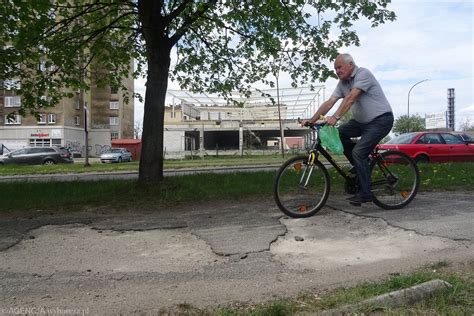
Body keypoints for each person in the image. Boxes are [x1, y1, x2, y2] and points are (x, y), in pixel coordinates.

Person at [302, 53, 393, 204]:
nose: (337, 71)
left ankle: (365, 193)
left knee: (358, 153)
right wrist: (312, 120)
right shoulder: (343, 83)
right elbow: (329, 102)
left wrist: (336, 117)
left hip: (381, 120)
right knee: (339, 134)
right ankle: (361, 164)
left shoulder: (363, 74)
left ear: (350, 64)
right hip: (361, 122)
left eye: (339, 67)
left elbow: (351, 98)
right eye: (335, 69)